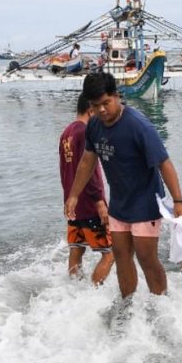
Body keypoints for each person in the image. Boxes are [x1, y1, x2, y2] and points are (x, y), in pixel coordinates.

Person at [64, 72, 182, 304]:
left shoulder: (138, 125)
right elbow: (88, 161)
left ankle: (161, 305)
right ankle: (127, 304)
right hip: (119, 204)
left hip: (146, 202)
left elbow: (164, 163)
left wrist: (179, 202)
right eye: (95, 105)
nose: (101, 110)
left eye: (105, 103)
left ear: (117, 96)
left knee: (146, 257)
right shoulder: (94, 126)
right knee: (121, 256)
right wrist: (73, 195)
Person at [59, 93, 114, 285]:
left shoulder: (67, 133)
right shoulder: (85, 132)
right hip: (89, 203)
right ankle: (93, 293)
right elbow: (90, 170)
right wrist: (100, 201)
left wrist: (68, 198)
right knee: (110, 253)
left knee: (77, 248)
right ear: (91, 110)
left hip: (73, 204)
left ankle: (74, 291)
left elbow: (65, 170)